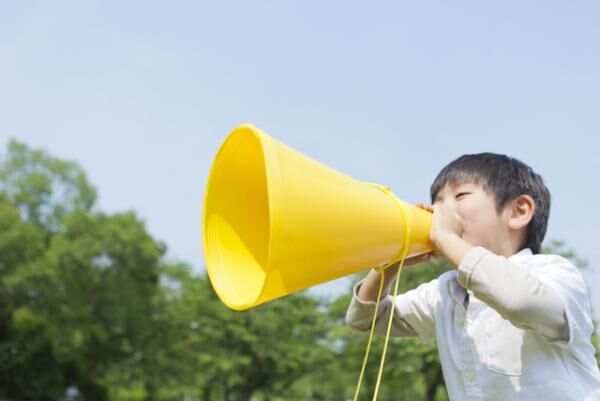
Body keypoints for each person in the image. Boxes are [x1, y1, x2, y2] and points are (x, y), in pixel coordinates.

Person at [345, 153, 600, 401]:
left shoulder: (552, 272)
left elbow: (519, 301)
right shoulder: (446, 291)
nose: (437, 211)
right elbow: (366, 318)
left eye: (460, 196)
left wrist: (446, 238)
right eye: (437, 201)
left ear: (518, 211)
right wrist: (392, 263)